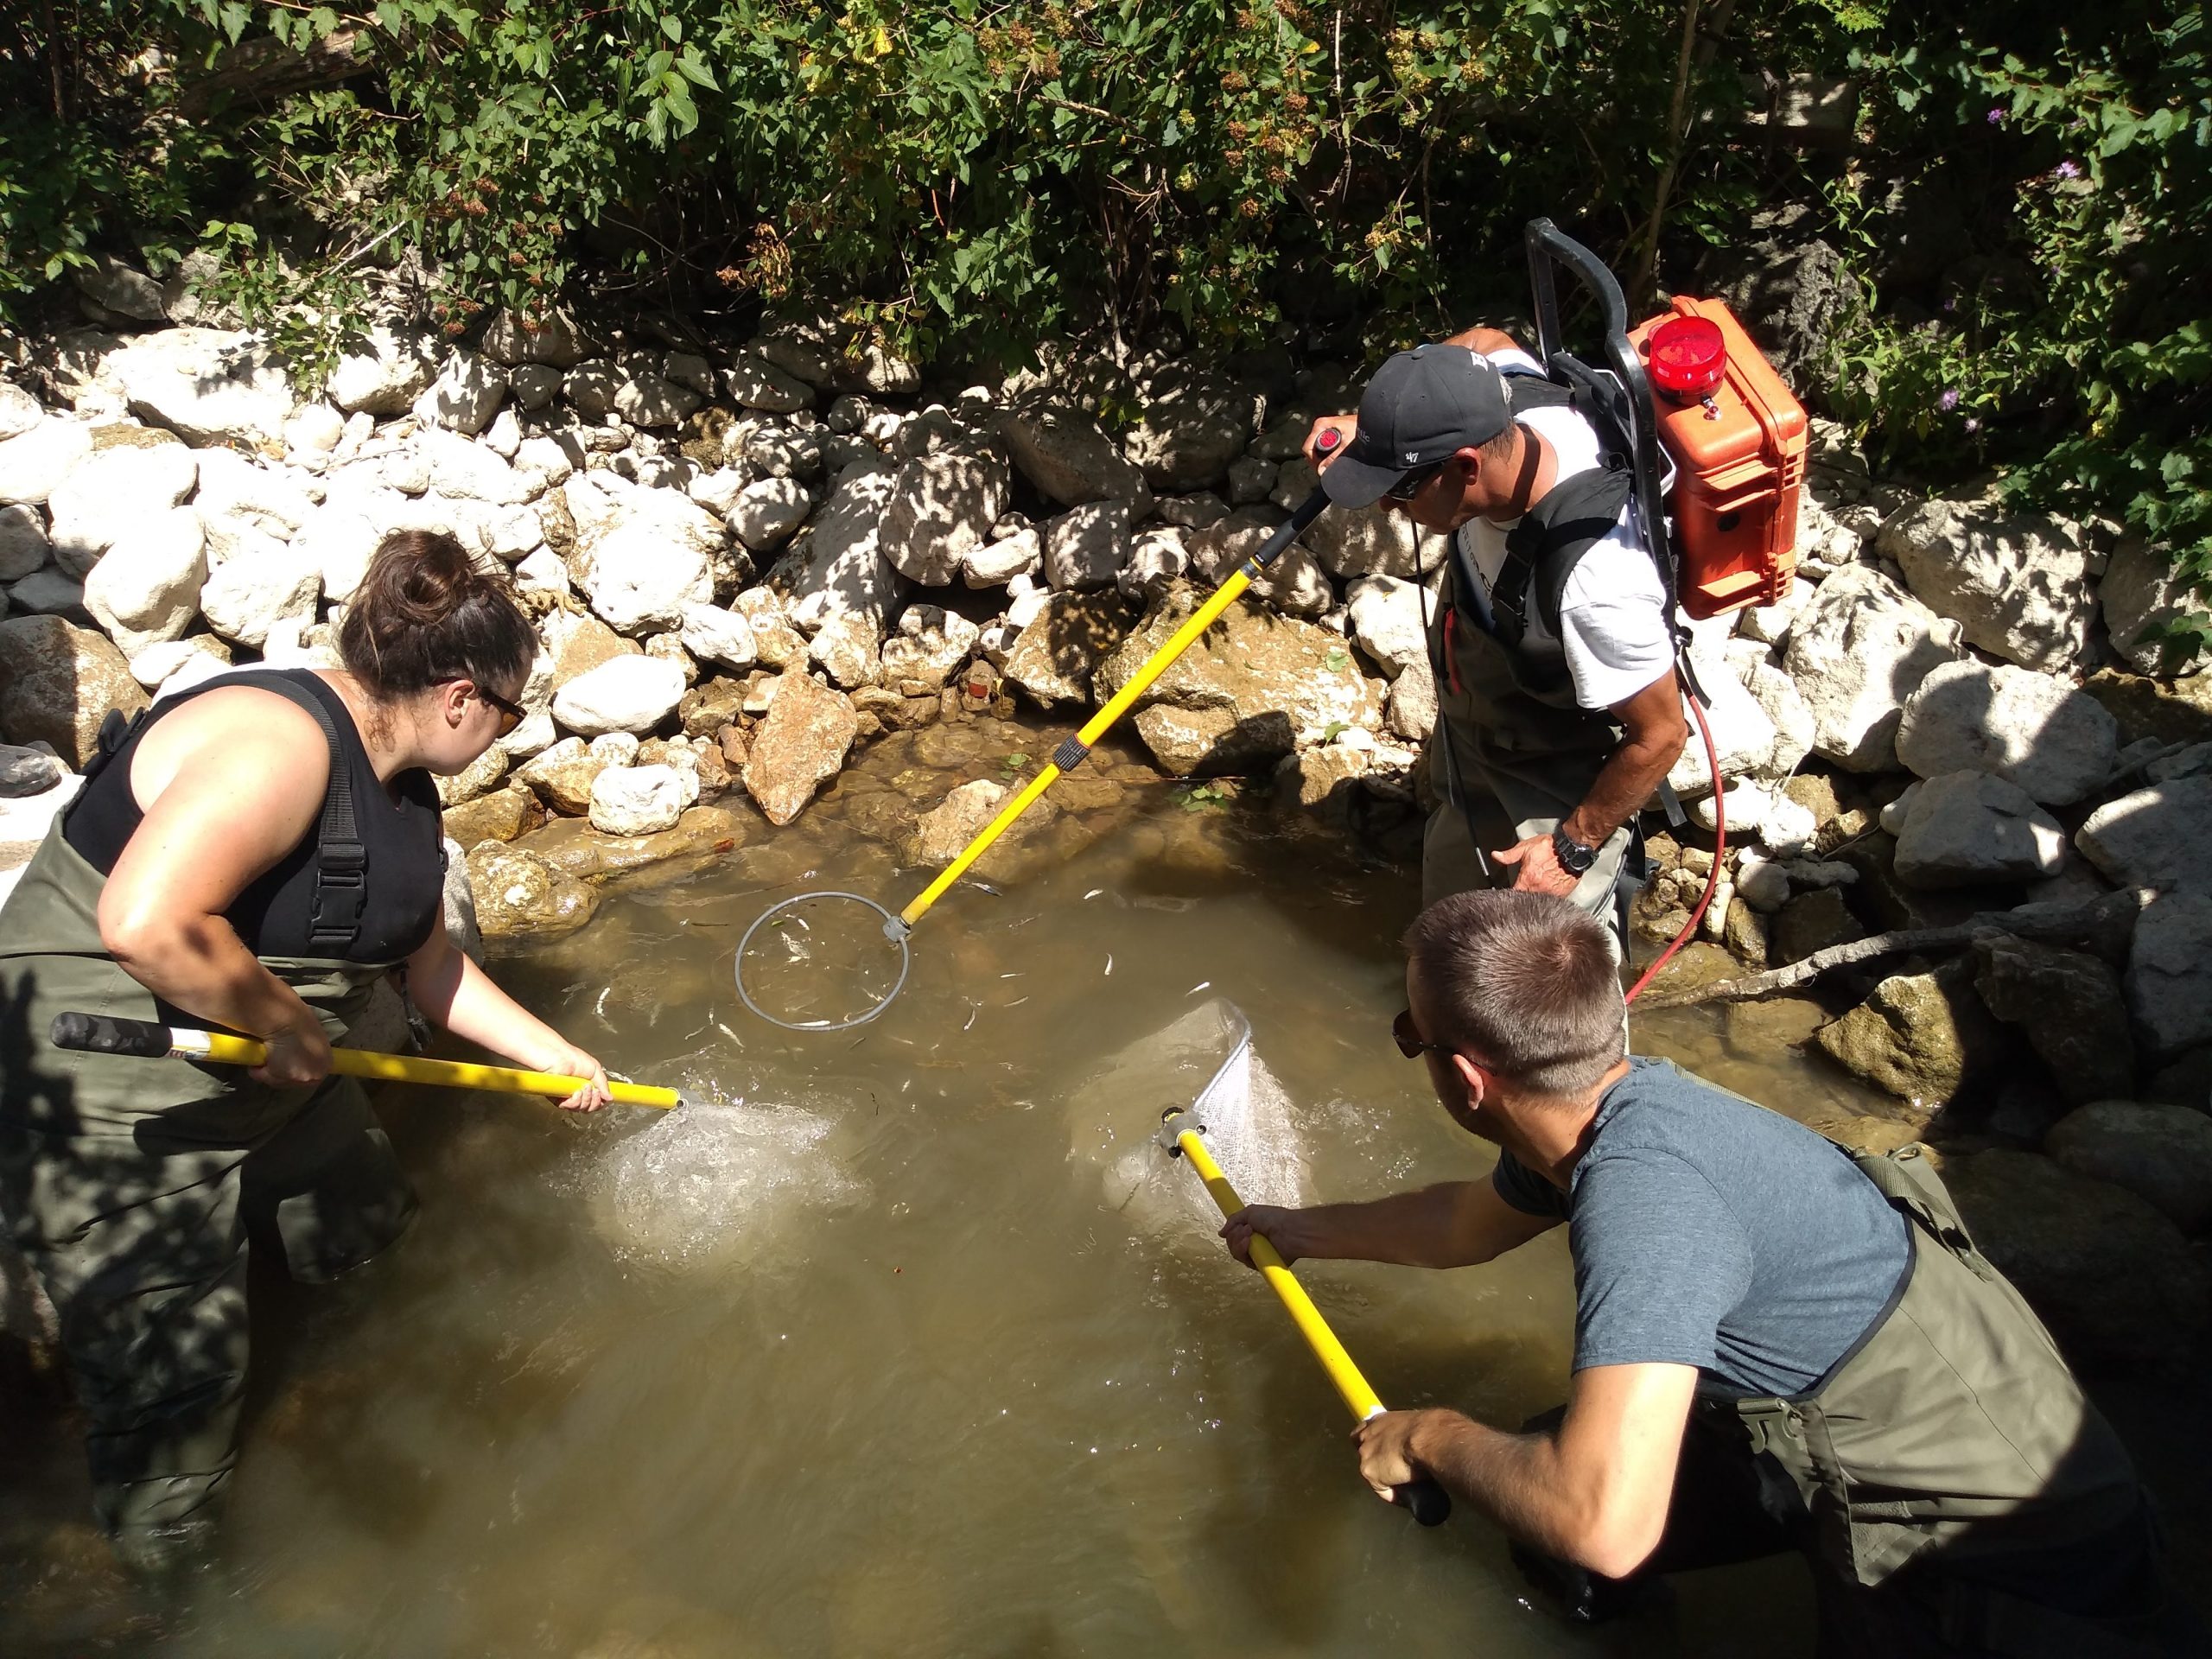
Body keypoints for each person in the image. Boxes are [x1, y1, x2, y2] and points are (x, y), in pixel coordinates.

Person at [1221, 889, 2198, 1656]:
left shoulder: (1646, 1199)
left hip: (1997, 1561)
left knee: (1568, 1504)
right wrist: (1298, 1229)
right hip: (1831, 1419)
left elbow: (1602, 1520)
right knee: (1539, 1492)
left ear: (1466, 1078)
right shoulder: (1602, 1107)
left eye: (1411, 1036)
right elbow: (1459, 1225)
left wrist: (1427, 1436)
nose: (1412, 1050)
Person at [0, 530, 611, 1569]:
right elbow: (145, 925)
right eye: (509, 716)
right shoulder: (276, 742)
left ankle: (344, 1378)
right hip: (109, 1078)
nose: (507, 737)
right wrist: (279, 1024)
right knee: (175, 1394)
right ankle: (173, 1585)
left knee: (368, 1224)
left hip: (271, 1066)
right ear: (464, 696)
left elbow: (432, 974)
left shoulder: (406, 788)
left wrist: (554, 1057)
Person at [1306, 329, 1688, 949]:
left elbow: (1662, 735)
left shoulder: (1597, 582)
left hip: (1554, 773)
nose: (1386, 511)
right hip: (1476, 738)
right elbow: (1485, 337)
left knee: (1543, 974)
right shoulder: (1513, 399)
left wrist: (1571, 848)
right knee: (1446, 946)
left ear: (1465, 466)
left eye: (1399, 493)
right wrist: (1379, 433)